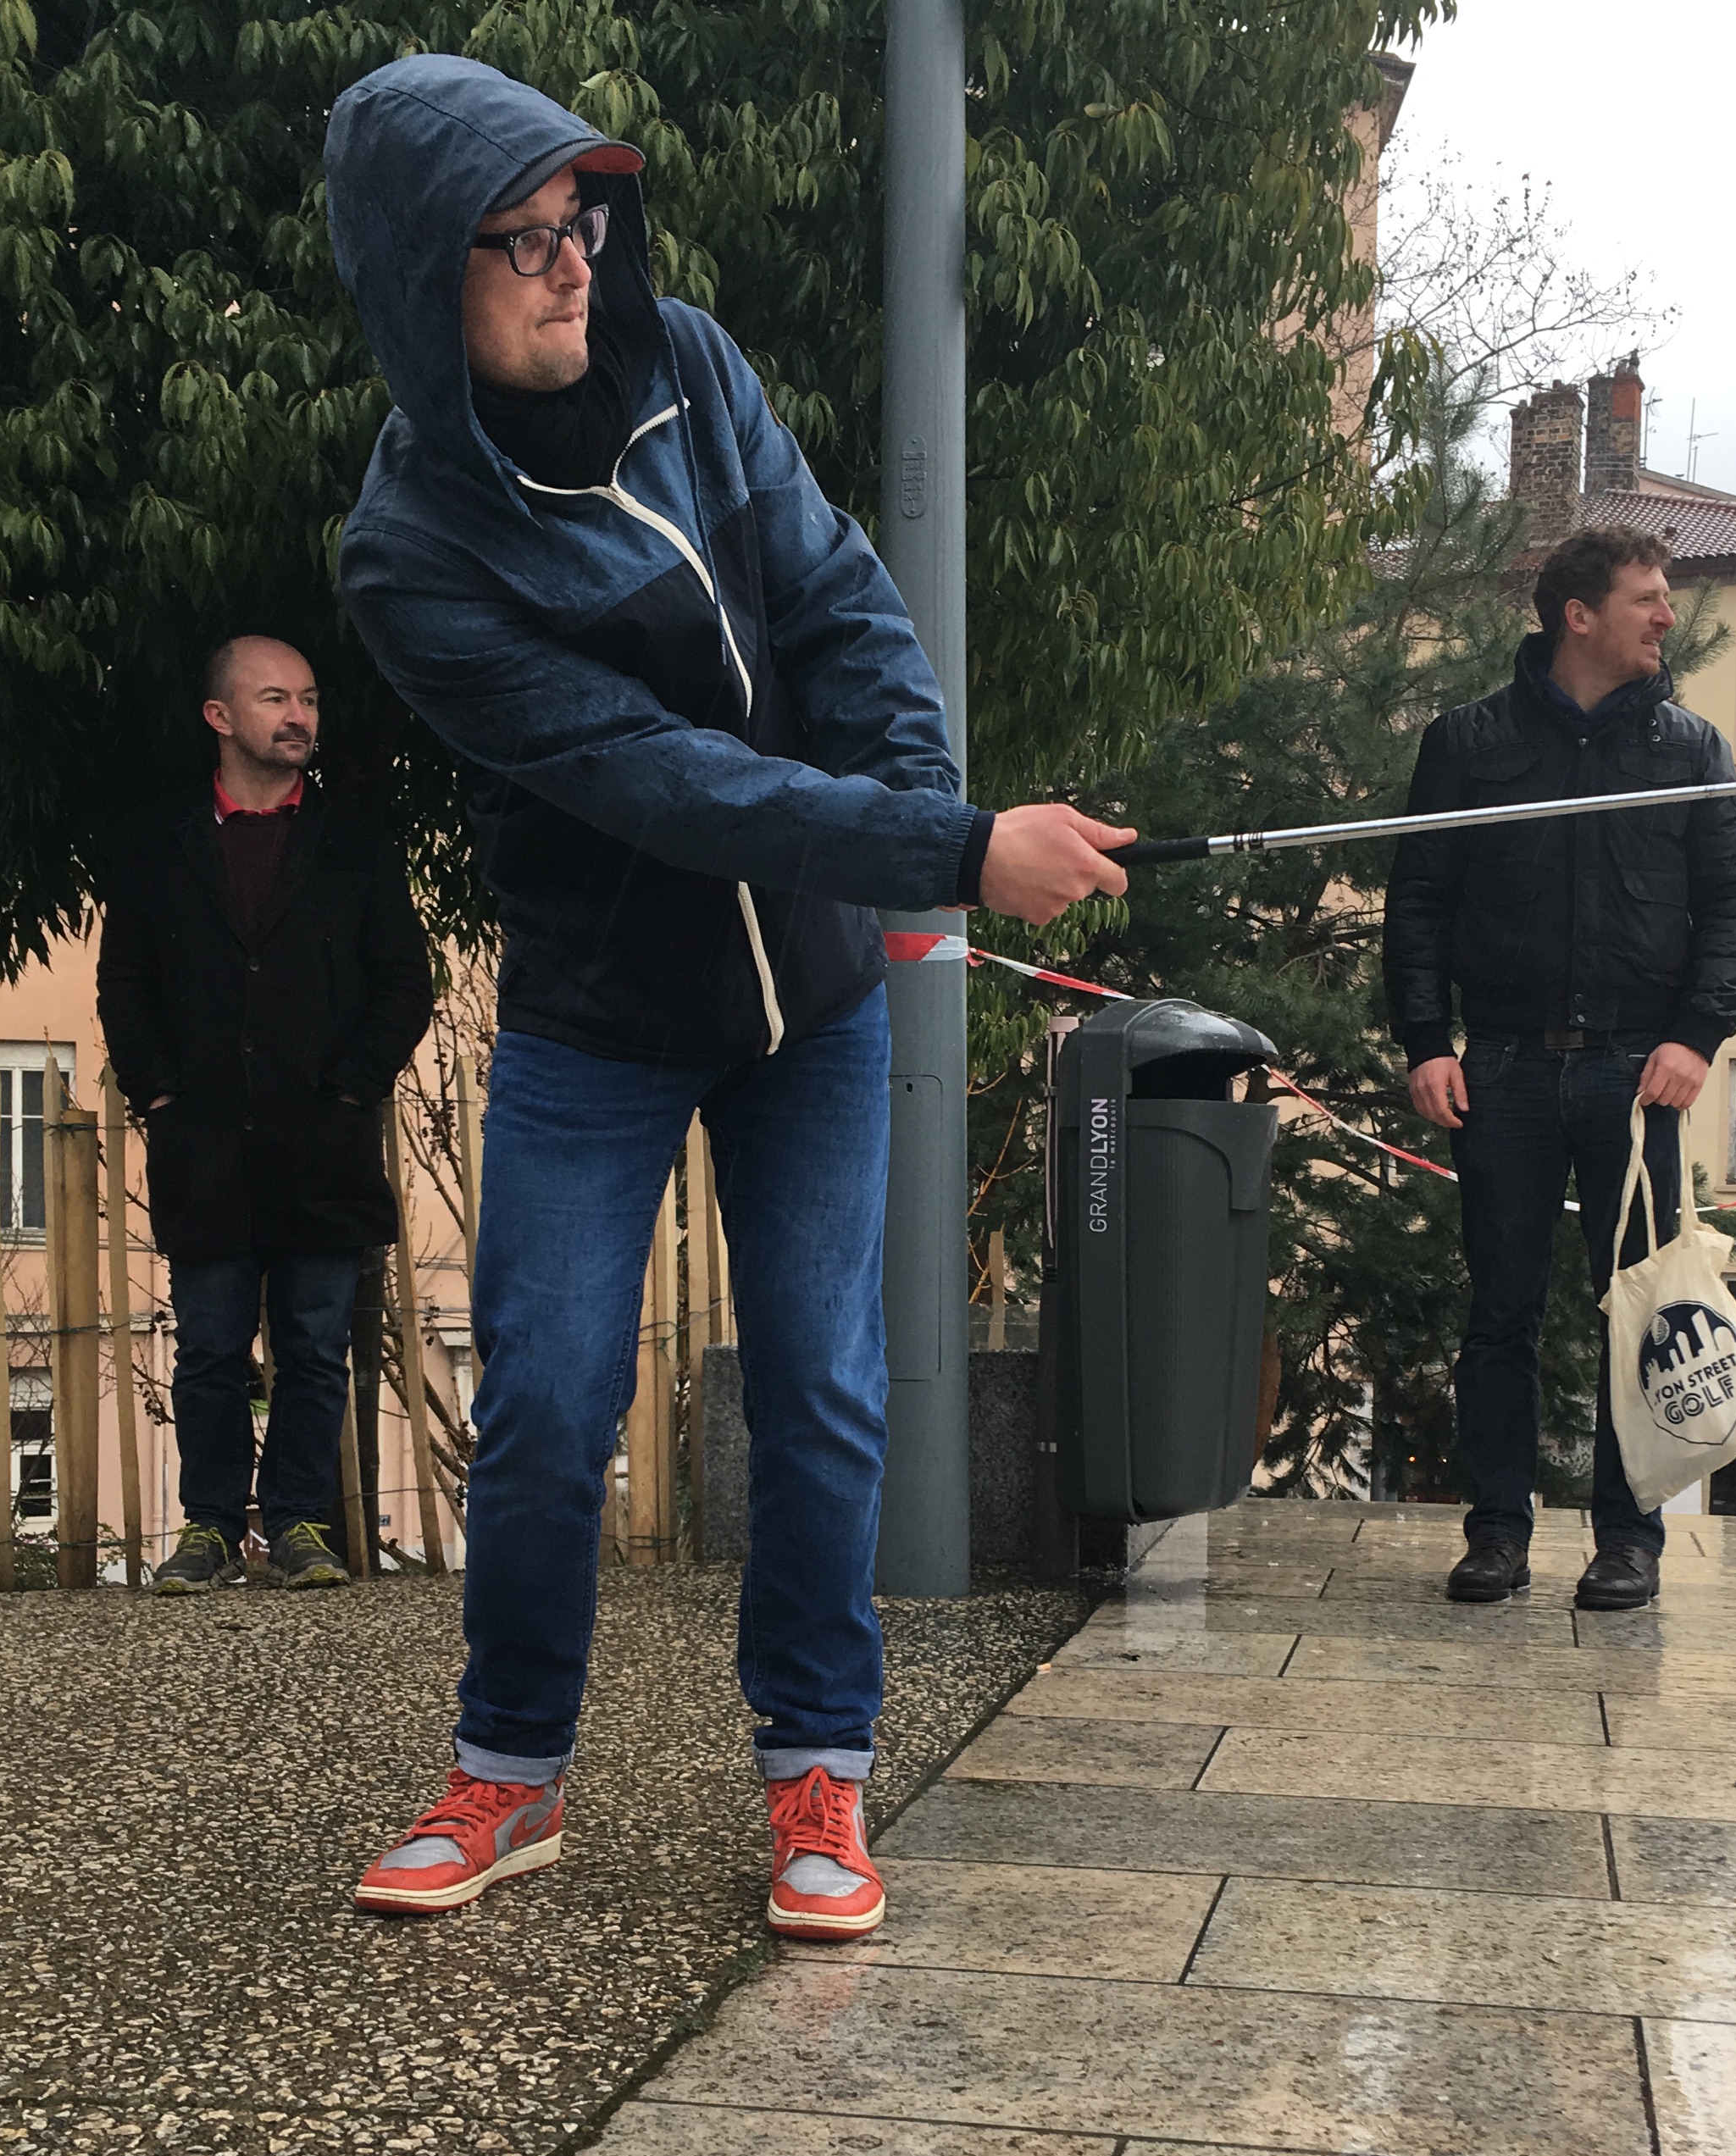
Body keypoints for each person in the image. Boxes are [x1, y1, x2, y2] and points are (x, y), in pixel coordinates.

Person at [321, 55, 1130, 1939]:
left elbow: (842, 603)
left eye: (576, 220)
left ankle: (818, 1779)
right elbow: (659, 782)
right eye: (514, 242)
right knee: (541, 1396)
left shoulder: (692, 354)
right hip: (600, 1009)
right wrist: (940, 852)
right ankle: (508, 1772)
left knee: (825, 1392)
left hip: (813, 1008)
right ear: (416, 282)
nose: (566, 264)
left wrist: (927, 831)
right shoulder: (412, 549)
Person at [1384, 524, 1736, 1613]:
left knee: (1642, 1313)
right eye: (1648, 597)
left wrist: (1698, 1035)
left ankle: (1626, 1539)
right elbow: (1418, 903)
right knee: (1497, 1312)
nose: (1666, 616)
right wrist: (1423, 1044)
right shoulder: (1467, 743)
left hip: (1640, 1073)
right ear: (1577, 616)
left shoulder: (1690, 747)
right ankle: (1497, 1532)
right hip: (1498, 1071)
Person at [97, 635, 435, 1594]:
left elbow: (403, 982)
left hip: (322, 1141)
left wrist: (351, 1085)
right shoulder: (159, 840)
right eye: (277, 699)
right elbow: (125, 981)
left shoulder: (356, 839)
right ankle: (207, 1526)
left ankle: (298, 1524)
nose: (300, 717)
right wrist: (159, 1091)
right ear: (221, 718)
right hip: (202, 1142)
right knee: (207, 1348)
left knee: (316, 1348)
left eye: (310, 700)